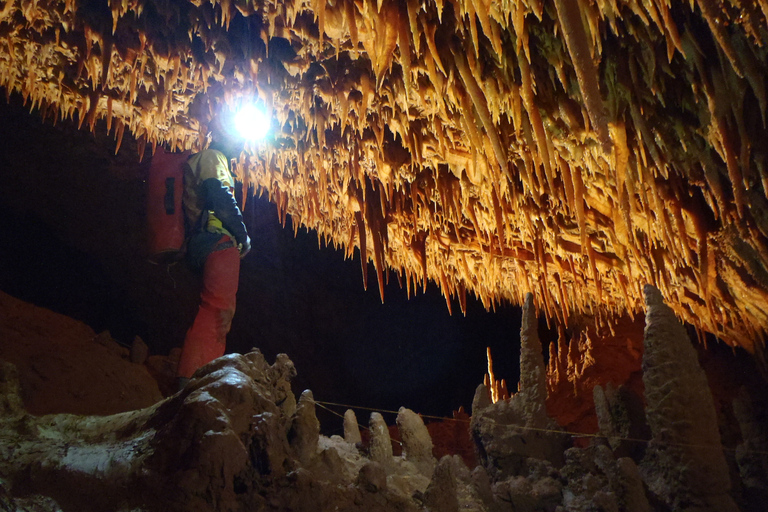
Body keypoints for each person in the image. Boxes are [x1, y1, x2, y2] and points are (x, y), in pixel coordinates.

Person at [176, 121, 251, 388]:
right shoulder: (213, 157)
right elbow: (218, 194)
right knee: (218, 311)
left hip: (200, 241)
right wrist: (242, 236)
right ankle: (192, 380)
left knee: (214, 309)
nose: (240, 146)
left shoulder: (204, 160)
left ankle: (199, 375)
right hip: (216, 240)